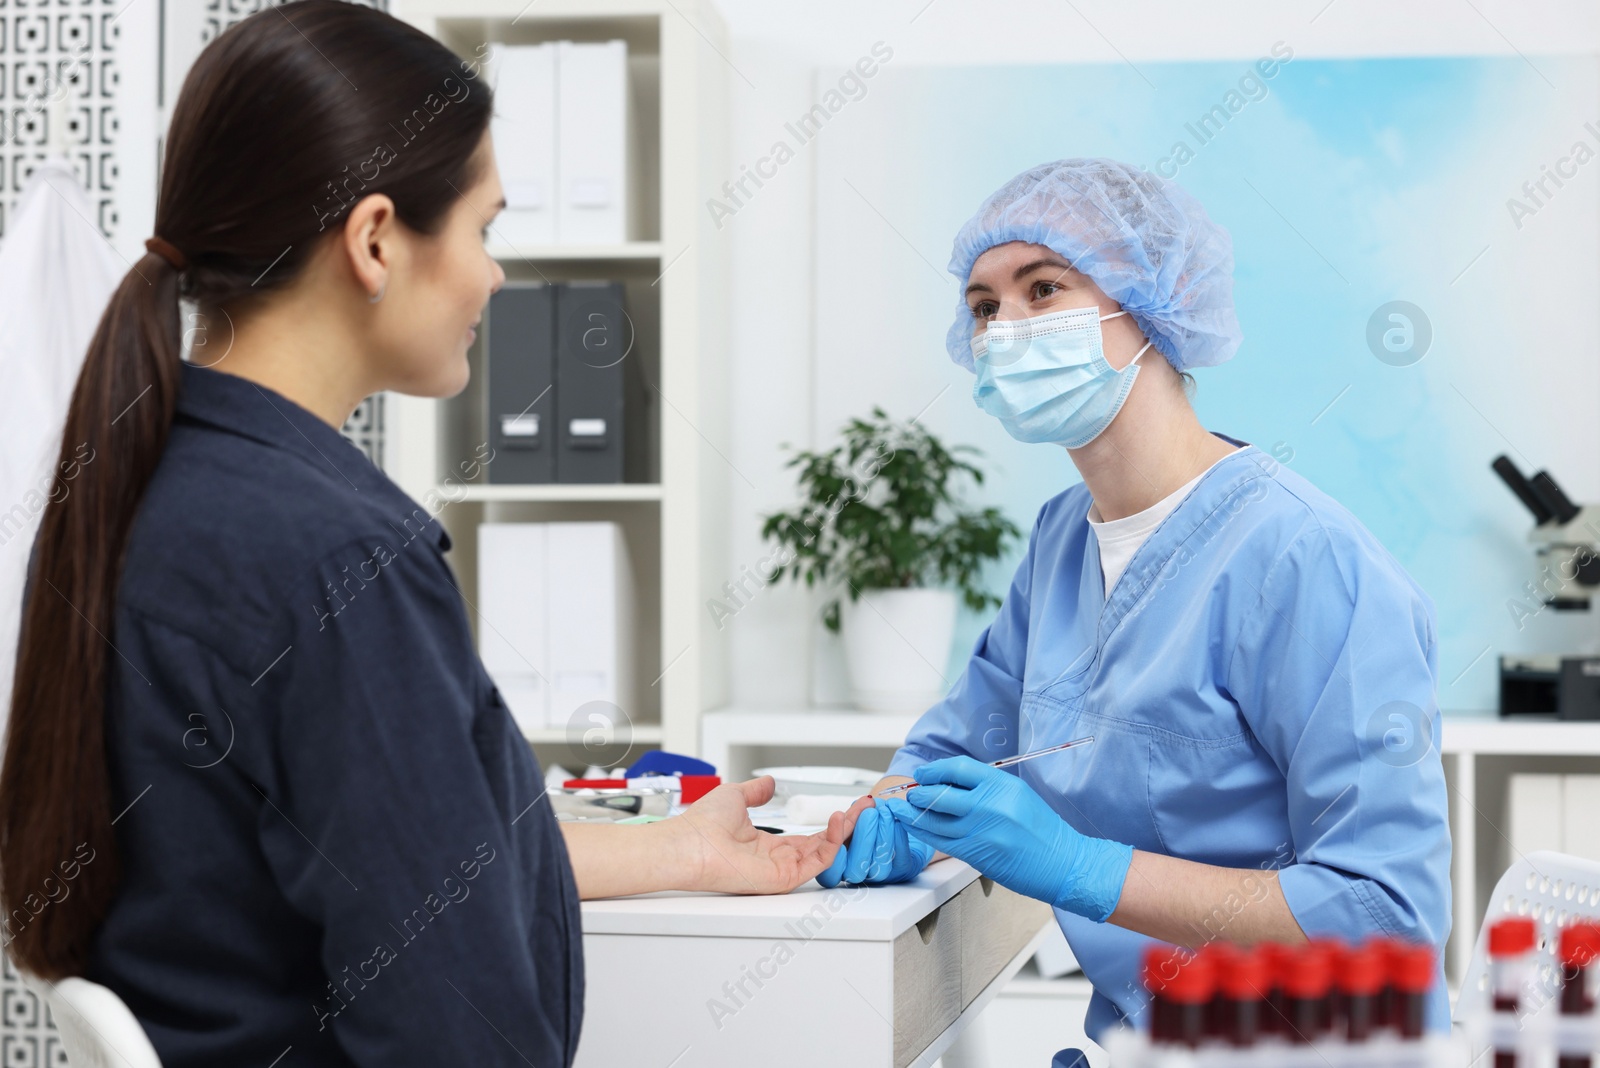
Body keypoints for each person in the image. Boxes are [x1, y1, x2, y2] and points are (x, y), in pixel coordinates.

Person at [0, 5, 842, 1065]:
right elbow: (461, 1032)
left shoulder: (129, 494)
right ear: (376, 239)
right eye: (484, 229)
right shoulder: (335, 561)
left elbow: (350, 868)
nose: (494, 275)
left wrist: (668, 848)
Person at [820, 159, 1452, 1044]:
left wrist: (1083, 867)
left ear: (1149, 307)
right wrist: (896, 809)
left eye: (1044, 288)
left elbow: (1386, 911)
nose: (1006, 329)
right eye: (984, 306)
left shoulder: (1308, 562)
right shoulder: (1062, 541)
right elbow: (970, 735)